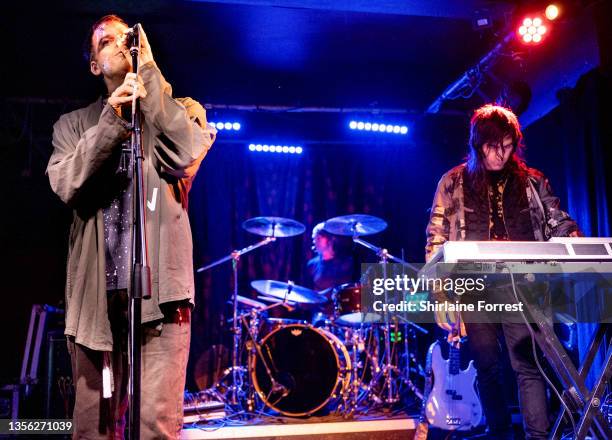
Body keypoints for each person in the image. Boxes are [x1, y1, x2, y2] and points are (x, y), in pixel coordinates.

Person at [47, 15, 216, 439]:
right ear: (93, 64)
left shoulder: (184, 112)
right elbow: (67, 183)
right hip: (96, 307)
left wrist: (150, 79)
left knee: (156, 429)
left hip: (161, 301)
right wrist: (111, 119)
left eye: (127, 37)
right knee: (93, 431)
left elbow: (182, 155)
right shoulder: (71, 126)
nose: (120, 43)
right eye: (106, 41)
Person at [425, 104, 580, 439]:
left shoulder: (533, 181)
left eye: (509, 147)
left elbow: (559, 221)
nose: (502, 154)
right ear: (479, 144)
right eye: (495, 147)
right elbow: (436, 238)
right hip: (473, 285)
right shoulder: (453, 181)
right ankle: (498, 434)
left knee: (527, 365)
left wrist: (573, 239)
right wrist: (440, 295)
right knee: (487, 366)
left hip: (523, 285)